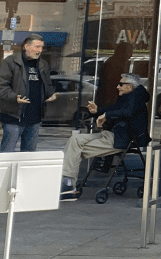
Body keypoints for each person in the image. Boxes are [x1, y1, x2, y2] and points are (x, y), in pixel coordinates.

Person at [59, 73, 150, 201]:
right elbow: (114, 109)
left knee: (73, 151)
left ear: (130, 86)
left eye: (121, 84)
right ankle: (67, 183)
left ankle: (68, 185)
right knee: (74, 140)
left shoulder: (136, 98)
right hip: (112, 135)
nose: (118, 87)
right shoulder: (129, 97)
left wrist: (106, 115)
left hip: (120, 139)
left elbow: (127, 113)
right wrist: (98, 111)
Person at [0, 33, 57, 152]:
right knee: (7, 152)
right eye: (37, 47)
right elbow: (2, 86)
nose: (39, 50)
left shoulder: (43, 64)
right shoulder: (11, 62)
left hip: (34, 117)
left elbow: (47, 84)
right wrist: (14, 97)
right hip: (14, 116)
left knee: (29, 154)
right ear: (26, 47)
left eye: (41, 47)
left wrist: (50, 94)